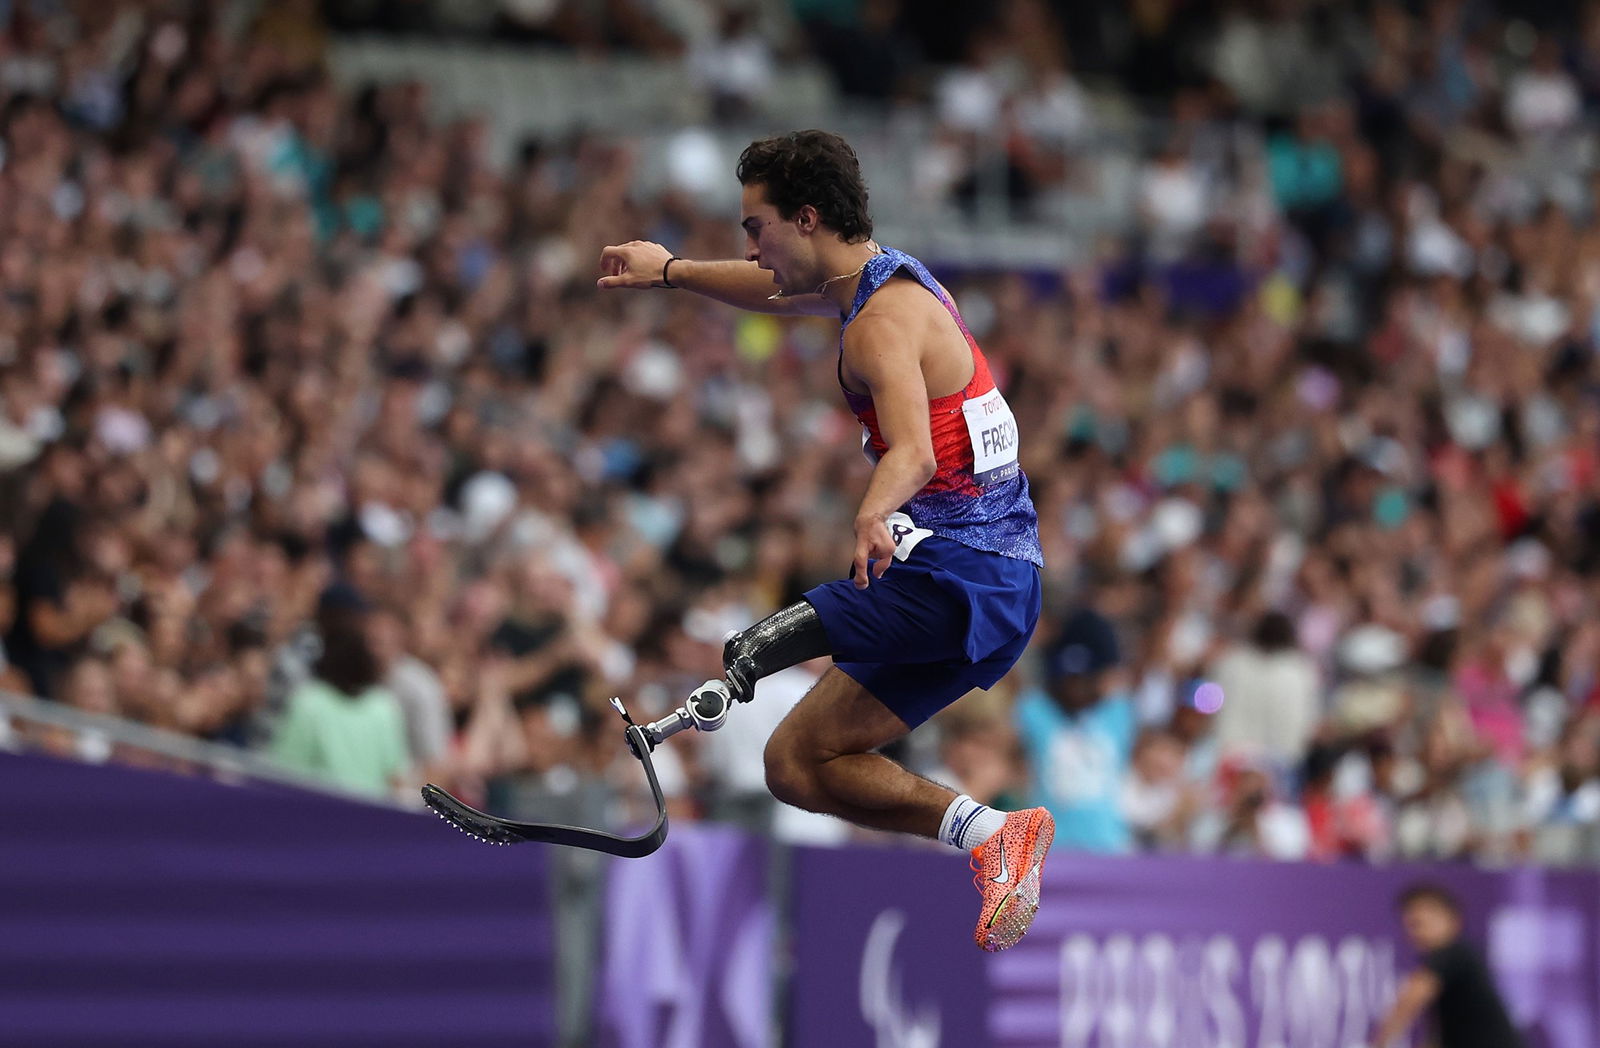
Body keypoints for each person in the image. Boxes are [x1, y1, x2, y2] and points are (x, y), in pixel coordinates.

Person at [598, 129, 1050, 952]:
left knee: (764, 638)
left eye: (755, 226)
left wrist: (872, 511)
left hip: (963, 575)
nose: (750, 245)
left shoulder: (879, 324)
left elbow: (912, 452)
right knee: (797, 763)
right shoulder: (876, 281)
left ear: (805, 218)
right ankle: (990, 835)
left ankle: (756, 656)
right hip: (984, 578)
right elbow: (771, 290)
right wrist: (669, 271)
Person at [1014, 607, 1137, 852]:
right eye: (1069, 676)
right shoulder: (1032, 710)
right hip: (1047, 850)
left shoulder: (1120, 712)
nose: (1075, 686)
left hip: (1109, 848)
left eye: (1085, 678)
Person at [1370, 883, 1524, 1048]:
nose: (1415, 932)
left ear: (1453, 921)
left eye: (1419, 923)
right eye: (1410, 925)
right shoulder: (1456, 960)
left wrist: (1379, 1043)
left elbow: (1410, 999)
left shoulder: (1451, 954)